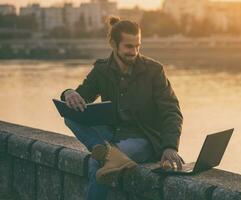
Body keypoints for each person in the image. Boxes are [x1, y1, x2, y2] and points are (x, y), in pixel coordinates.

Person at [60, 16, 184, 200]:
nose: (134, 52)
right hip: (113, 134)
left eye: (137, 46)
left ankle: (104, 153)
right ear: (113, 44)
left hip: (144, 138)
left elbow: (171, 111)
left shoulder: (154, 71)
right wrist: (68, 93)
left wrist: (170, 146)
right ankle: (100, 147)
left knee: (97, 163)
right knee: (70, 115)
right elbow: (80, 99)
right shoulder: (101, 70)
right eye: (128, 46)